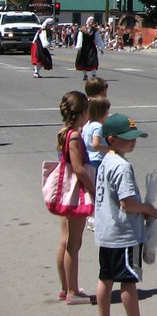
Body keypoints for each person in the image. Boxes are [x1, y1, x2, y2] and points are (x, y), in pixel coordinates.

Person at [93, 114, 157, 316]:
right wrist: (148, 209)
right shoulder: (122, 167)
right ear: (111, 139)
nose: (133, 142)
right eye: (128, 138)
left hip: (106, 231)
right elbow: (128, 203)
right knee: (128, 282)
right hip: (124, 235)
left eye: (135, 137)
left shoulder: (107, 160)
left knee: (106, 277)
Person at [54, 90, 97, 305]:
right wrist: (93, 189)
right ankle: (72, 290)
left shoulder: (64, 132)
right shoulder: (75, 135)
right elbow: (79, 168)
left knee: (65, 239)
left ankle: (65, 286)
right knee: (74, 243)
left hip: (65, 190)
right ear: (82, 113)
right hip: (75, 191)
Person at [84, 96, 112, 171]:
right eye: (107, 111)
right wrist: (110, 149)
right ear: (102, 112)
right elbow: (96, 144)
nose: (108, 113)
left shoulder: (86, 125)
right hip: (98, 159)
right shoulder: (98, 126)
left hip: (88, 158)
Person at [76, 16, 104, 82]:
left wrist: (100, 48)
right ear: (88, 21)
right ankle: (85, 75)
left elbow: (98, 39)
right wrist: (79, 47)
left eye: (93, 21)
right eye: (91, 20)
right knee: (84, 61)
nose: (92, 22)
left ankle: (94, 75)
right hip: (84, 47)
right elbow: (80, 39)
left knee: (93, 60)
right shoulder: (82, 29)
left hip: (91, 47)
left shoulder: (95, 30)